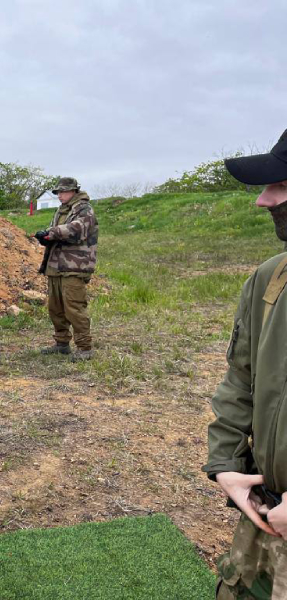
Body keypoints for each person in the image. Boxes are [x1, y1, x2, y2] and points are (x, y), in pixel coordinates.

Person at [202, 129, 287, 600]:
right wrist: (226, 463)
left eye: (280, 184)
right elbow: (242, 379)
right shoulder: (269, 277)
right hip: (263, 517)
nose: (263, 201)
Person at [34, 177, 98, 361]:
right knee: (56, 308)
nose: (60, 195)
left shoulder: (84, 209)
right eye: (58, 192)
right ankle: (62, 343)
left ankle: (85, 347)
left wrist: (51, 233)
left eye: (63, 192)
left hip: (74, 266)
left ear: (74, 191)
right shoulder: (63, 210)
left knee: (74, 307)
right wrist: (45, 237)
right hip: (56, 265)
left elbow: (76, 229)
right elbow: (59, 230)